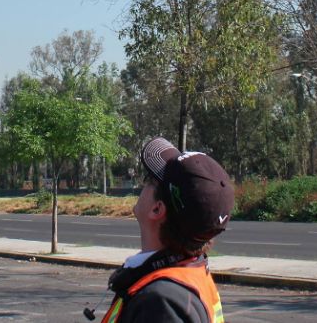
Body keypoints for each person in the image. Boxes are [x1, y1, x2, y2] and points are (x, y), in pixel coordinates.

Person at [99, 136, 235, 323]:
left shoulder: (159, 304)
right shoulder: (190, 272)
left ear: (157, 209)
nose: (142, 186)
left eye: (149, 180)